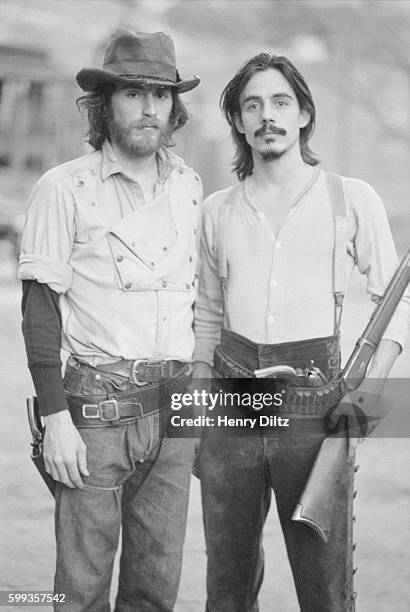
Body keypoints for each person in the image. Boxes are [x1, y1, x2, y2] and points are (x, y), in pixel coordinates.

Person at [193, 54, 409, 611]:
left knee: (325, 590)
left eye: (281, 102)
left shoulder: (351, 198)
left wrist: (369, 396)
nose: (268, 115)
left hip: (318, 405)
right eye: (253, 105)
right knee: (227, 588)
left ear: (305, 113)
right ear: (239, 122)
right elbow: (207, 318)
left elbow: (398, 299)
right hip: (230, 399)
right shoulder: (215, 211)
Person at [19, 28, 202, 611]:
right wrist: (56, 419)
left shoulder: (192, 187)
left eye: (161, 95)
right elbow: (39, 308)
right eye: (132, 93)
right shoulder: (64, 188)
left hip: (173, 414)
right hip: (95, 412)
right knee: (81, 590)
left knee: (155, 589)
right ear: (104, 104)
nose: (149, 108)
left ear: (175, 107)